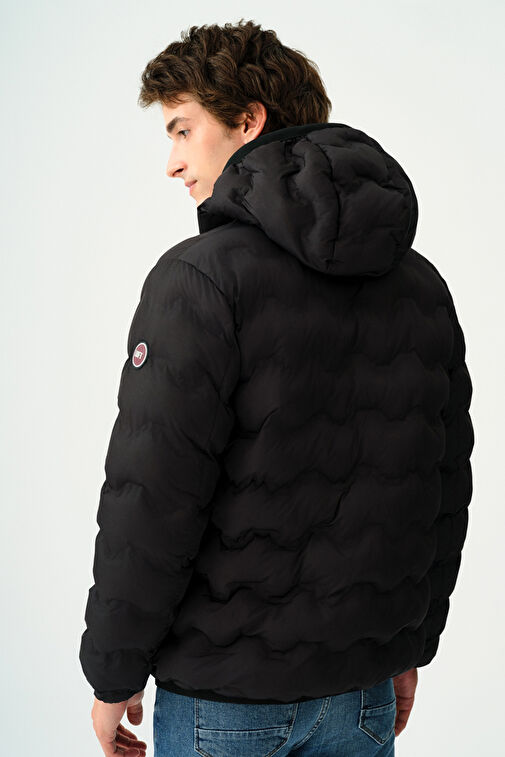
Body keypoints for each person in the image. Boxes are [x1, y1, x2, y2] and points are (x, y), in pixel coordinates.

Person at [79, 19, 474, 757]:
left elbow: (154, 495)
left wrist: (113, 671)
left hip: (225, 705)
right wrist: (408, 645)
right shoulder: (419, 284)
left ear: (248, 121)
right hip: (361, 693)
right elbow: (440, 486)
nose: (172, 161)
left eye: (183, 129)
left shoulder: (199, 278)